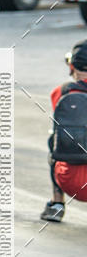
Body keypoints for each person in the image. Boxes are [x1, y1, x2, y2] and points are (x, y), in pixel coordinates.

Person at [41, 40, 87, 222]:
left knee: (54, 139)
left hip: (70, 181)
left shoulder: (61, 92)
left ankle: (57, 205)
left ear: (72, 66)